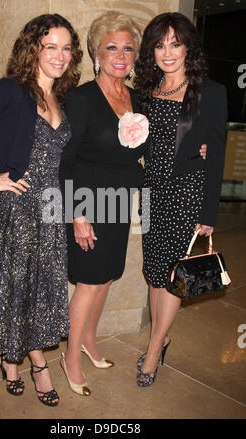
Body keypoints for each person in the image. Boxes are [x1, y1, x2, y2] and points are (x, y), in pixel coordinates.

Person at [59, 11, 206, 396]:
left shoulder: (138, 97)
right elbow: (66, 161)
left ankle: (89, 342)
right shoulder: (81, 98)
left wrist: (199, 146)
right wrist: (76, 214)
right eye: (112, 47)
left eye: (128, 47)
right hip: (88, 202)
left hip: (121, 201)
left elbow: (162, 144)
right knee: (89, 283)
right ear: (96, 51)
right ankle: (70, 356)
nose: (121, 55)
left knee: (106, 277)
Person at [0, 14, 83, 406]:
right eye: (50, 46)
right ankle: (31, 361)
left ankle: (18, 355)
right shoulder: (11, 90)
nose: (59, 55)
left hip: (51, 211)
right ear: (33, 48)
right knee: (16, 286)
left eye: (66, 47)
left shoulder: (61, 96)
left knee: (41, 289)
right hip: (18, 208)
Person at [134, 12, 228, 387]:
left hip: (187, 194)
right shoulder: (145, 90)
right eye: (159, 45)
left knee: (173, 276)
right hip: (152, 193)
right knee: (155, 272)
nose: (167, 52)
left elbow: (216, 155)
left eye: (175, 43)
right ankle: (163, 334)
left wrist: (209, 213)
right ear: (151, 51)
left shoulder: (210, 91)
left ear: (189, 46)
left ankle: (155, 348)